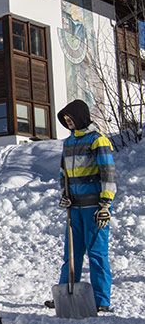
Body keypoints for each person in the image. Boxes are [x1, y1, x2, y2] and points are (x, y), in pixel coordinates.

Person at [45, 99, 116, 312]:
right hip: (74, 207)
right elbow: (63, 174)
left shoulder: (98, 141)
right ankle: (66, 293)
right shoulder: (68, 143)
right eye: (65, 120)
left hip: (95, 207)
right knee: (72, 254)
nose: (68, 123)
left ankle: (102, 300)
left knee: (96, 252)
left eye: (71, 118)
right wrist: (64, 194)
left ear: (80, 117)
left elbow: (108, 173)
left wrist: (105, 204)